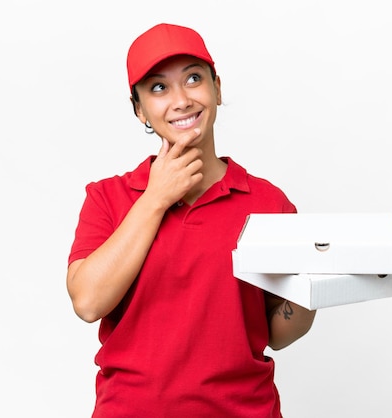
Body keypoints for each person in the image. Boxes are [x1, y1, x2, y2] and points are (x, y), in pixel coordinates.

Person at [66, 23, 317, 418]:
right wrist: (155, 198)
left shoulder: (269, 203)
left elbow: (276, 334)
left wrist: (314, 286)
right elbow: (88, 302)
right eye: (159, 88)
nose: (181, 100)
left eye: (194, 79)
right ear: (139, 109)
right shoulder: (107, 198)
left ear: (217, 87)